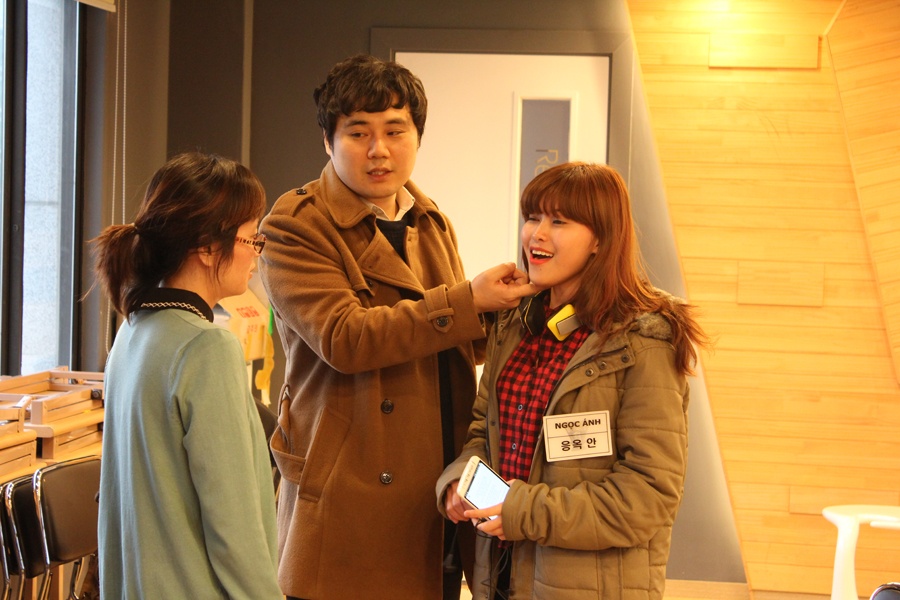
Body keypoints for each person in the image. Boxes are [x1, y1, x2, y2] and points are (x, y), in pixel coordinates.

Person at [258, 54, 534, 599]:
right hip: (350, 486)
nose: (379, 149)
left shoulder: (429, 219)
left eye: (395, 130)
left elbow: (450, 341)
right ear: (328, 141)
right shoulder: (295, 224)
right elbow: (345, 338)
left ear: (417, 136)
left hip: (436, 485)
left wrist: (506, 309)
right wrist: (467, 301)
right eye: (358, 132)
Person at [437, 161, 710, 600]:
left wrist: (524, 511)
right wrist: (459, 479)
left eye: (559, 221)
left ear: (600, 239)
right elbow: (481, 433)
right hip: (500, 578)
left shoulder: (643, 341)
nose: (537, 235)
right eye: (533, 217)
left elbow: (647, 497)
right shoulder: (514, 323)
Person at [93, 152, 283, 600]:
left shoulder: (132, 332)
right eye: (250, 238)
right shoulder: (207, 347)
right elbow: (234, 524)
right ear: (207, 246)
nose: (256, 253)